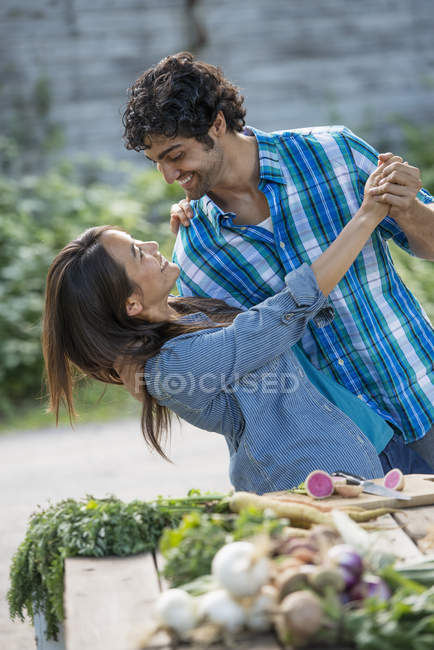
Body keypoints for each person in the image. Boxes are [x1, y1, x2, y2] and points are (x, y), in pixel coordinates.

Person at [122, 52, 434, 467]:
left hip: (422, 392)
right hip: (349, 455)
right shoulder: (197, 254)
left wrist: (409, 209)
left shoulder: (334, 153)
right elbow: (236, 365)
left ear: (216, 123)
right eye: (156, 161)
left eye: (175, 155)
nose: (167, 175)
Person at [43, 162, 433, 495]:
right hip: (332, 479)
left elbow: (202, 318)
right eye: (136, 252)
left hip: (374, 441)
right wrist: (366, 216)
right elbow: (280, 316)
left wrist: (193, 230)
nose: (150, 244)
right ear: (130, 304)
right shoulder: (171, 368)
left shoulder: (180, 316)